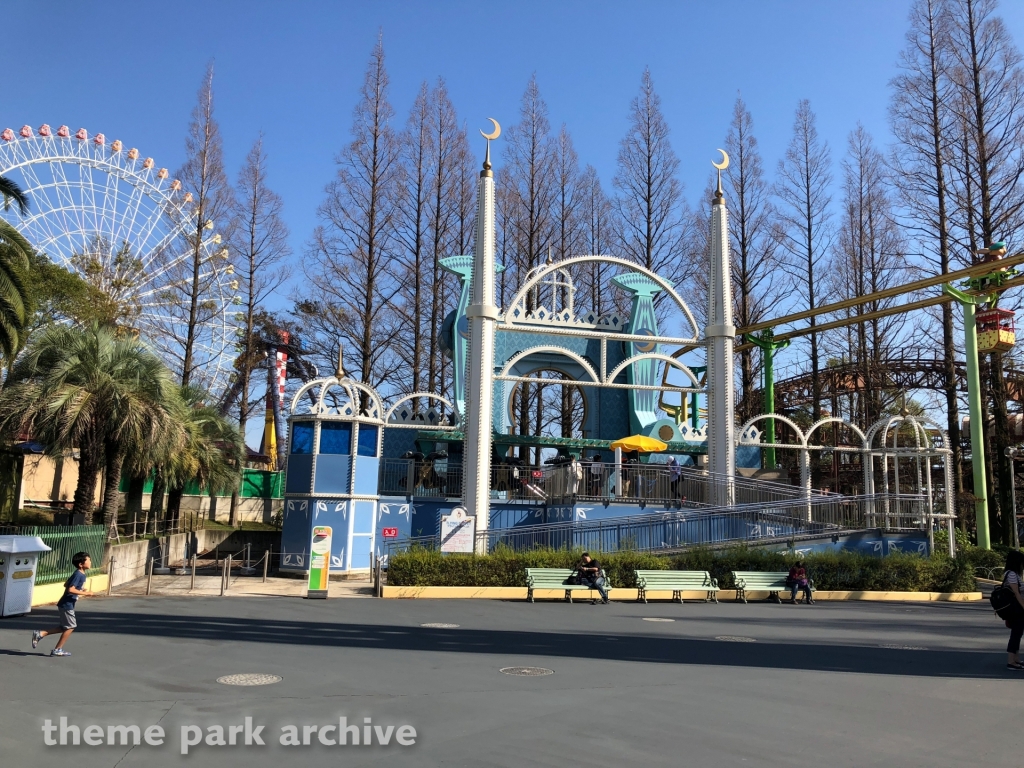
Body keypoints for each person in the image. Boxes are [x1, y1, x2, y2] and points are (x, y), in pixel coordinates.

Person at [32, 552, 94, 657]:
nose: (90, 562)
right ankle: (57, 649)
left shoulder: (79, 574)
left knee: (65, 627)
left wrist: (80, 589)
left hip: (66, 604)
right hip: (67, 604)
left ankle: (41, 634)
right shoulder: (79, 574)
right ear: (81, 564)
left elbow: (66, 584)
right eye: (88, 560)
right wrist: (86, 593)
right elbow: (70, 589)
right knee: (71, 626)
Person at [1001, 550, 1024, 670]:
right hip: (1016, 609)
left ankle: (1016, 659)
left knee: (1018, 633)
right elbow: (1016, 593)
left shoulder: (1013, 574)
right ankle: (1011, 661)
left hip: (1017, 608)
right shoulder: (1011, 574)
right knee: (1016, 634)